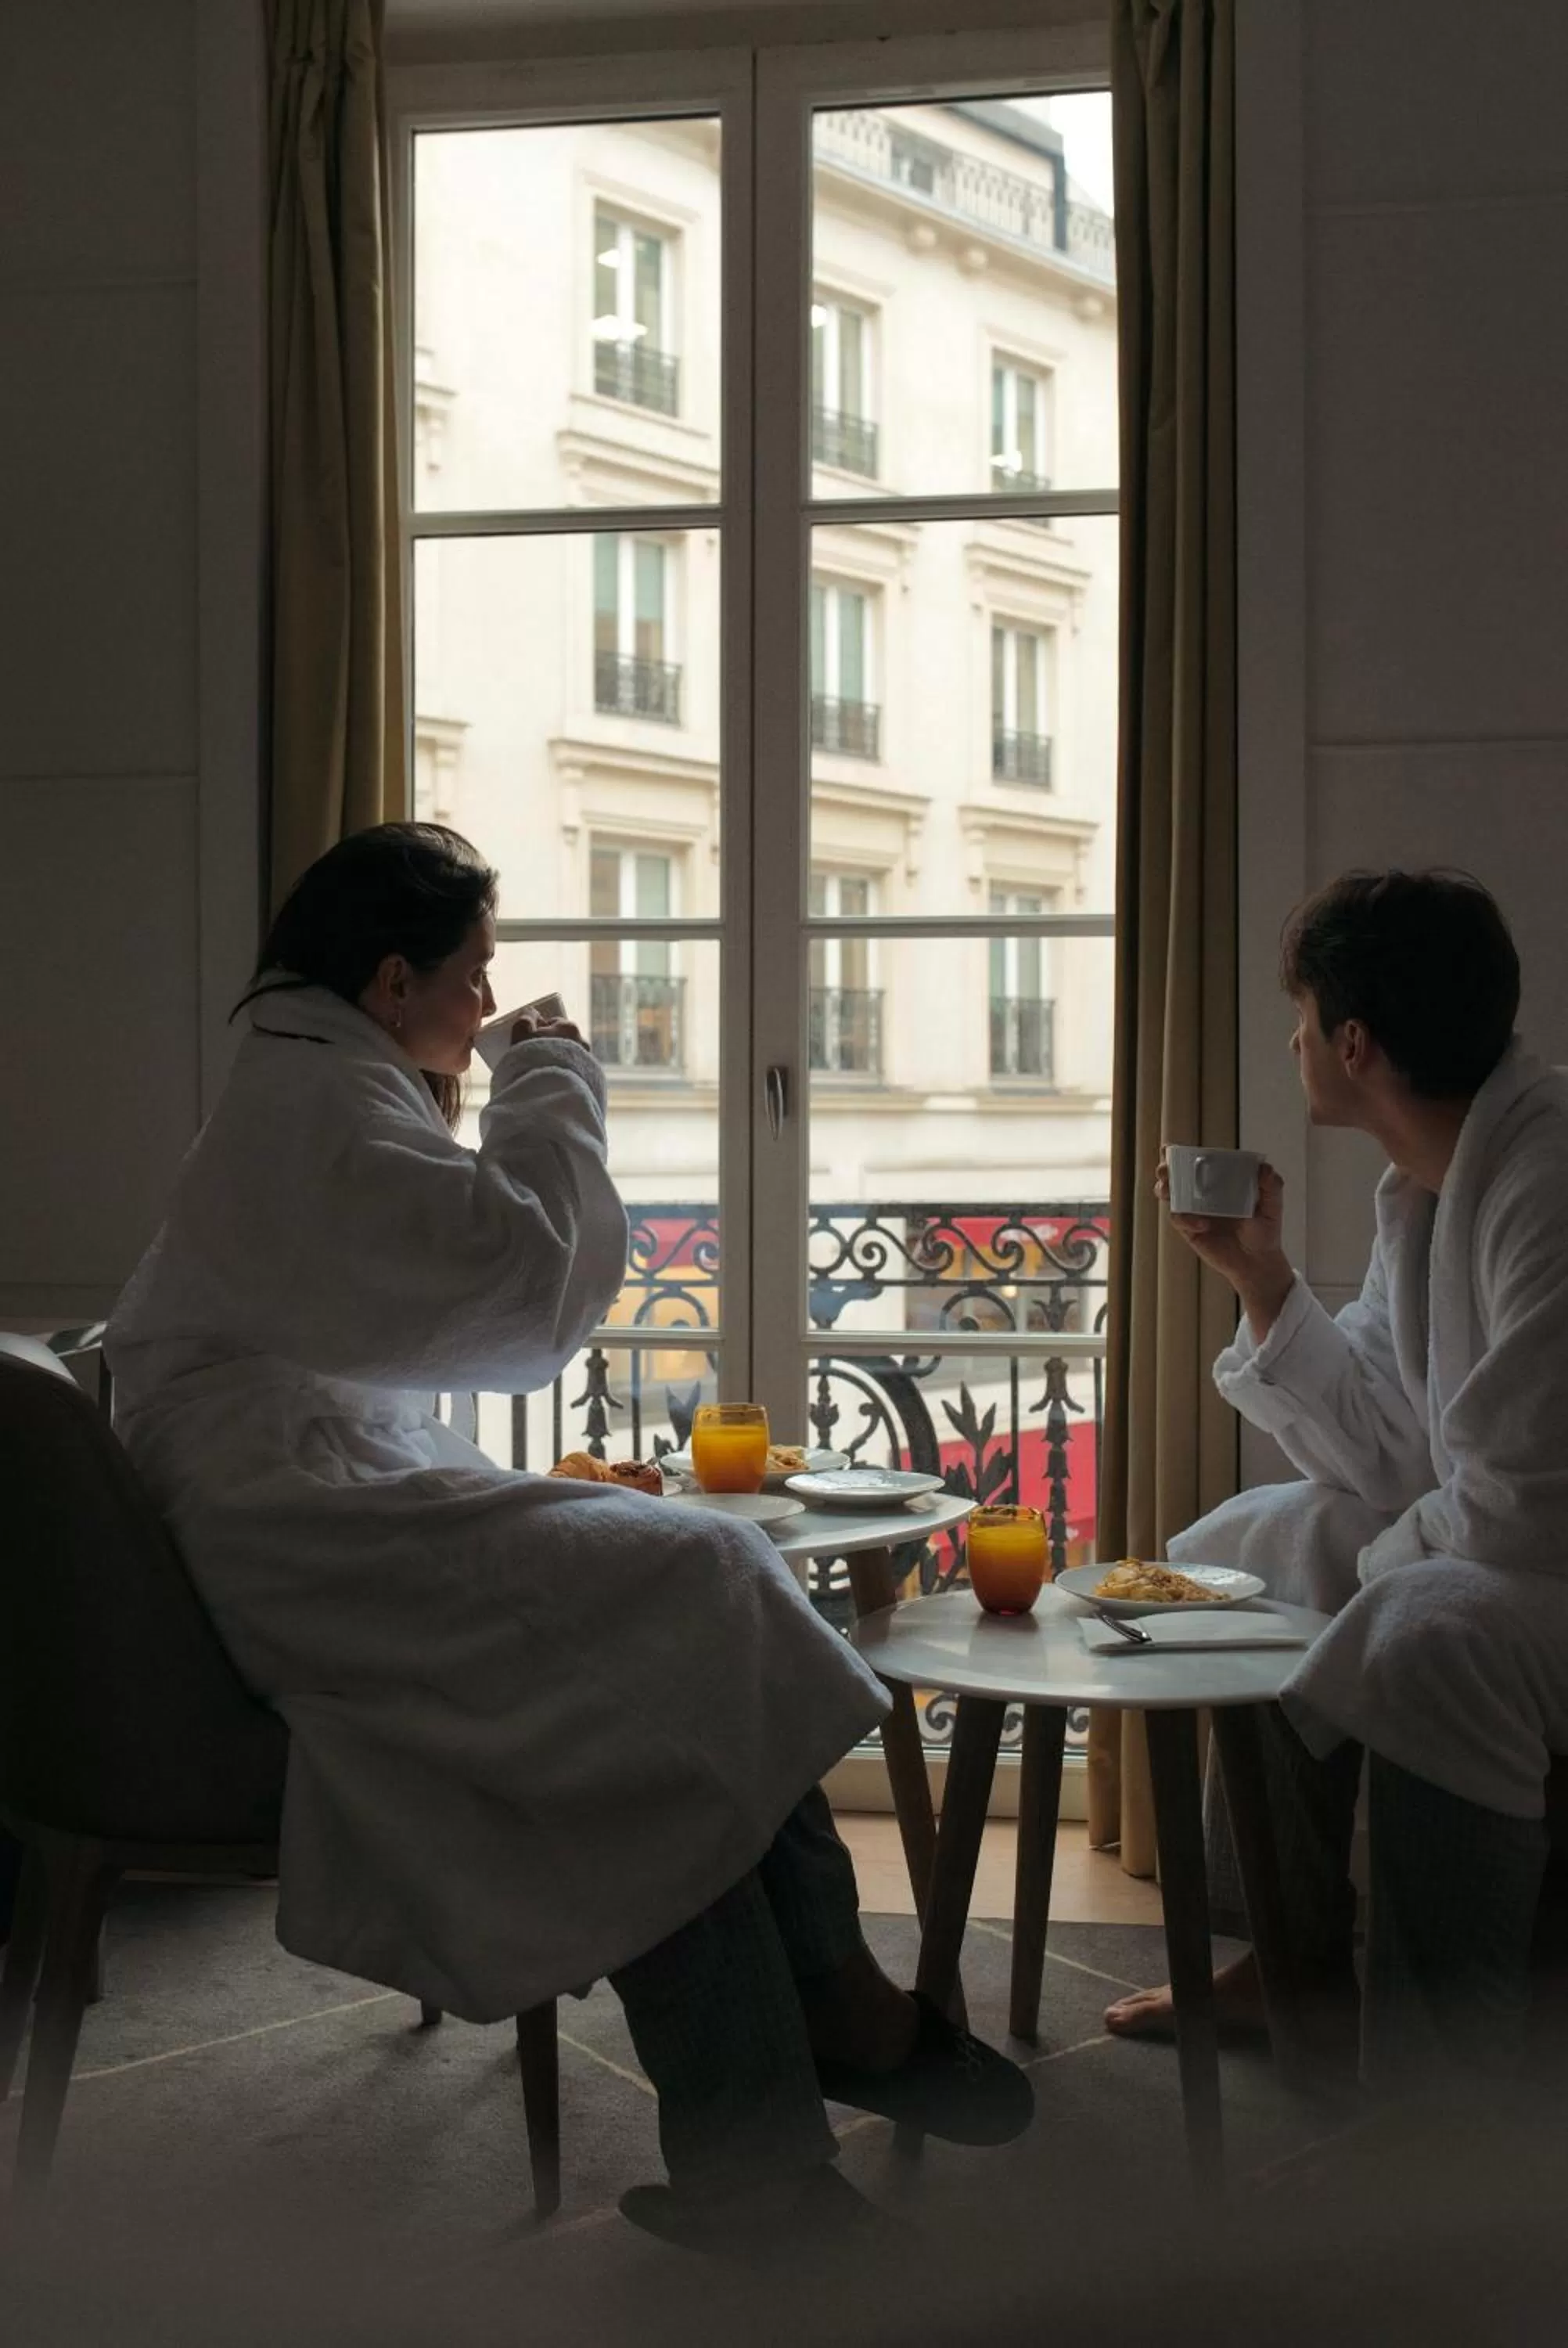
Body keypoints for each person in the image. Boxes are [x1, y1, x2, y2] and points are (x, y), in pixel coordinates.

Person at [105, 822, 1030, 2255]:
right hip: (298, 1529)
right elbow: (528, 1290)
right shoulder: (319, 1107)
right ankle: (830, 2028)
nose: (488, 1006)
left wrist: (510, 1078)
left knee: (665, 1663)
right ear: (397, 978)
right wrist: (552, 1077)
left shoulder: (314, 1085)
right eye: (475, 978)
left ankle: (766, 2130)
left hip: (312, 1495)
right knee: (698, 1585)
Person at [1102, 869, 1568, 2098]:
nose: (1294, 1040)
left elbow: (1525, 1505)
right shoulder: (1428, 1179)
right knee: (1251, 1547)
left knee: (1421, 1626)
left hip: (1549, 1565)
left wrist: (1378, 1576)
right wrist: (1261, 1279)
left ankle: (1437, 2102)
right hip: (1512, 1544)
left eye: (1303, 1018)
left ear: (1353, 1044)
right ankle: (1289, 1960)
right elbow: (1392, 1449)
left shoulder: (1549, 1179)